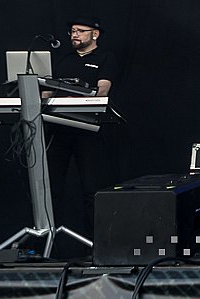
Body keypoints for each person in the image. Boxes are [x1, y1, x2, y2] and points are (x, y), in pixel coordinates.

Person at [46, 16, 120, 239]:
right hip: (58, 128)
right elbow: (46, 89)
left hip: (88, 129)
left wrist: (83, 99)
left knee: (91, 188)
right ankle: (49, 240)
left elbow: (103, 89)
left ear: (94, 34)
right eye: (72, 31)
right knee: (50, 187)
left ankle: (94, 243)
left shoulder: (104, 58)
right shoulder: (63, 59)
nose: (74, 35)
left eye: (80, 30)